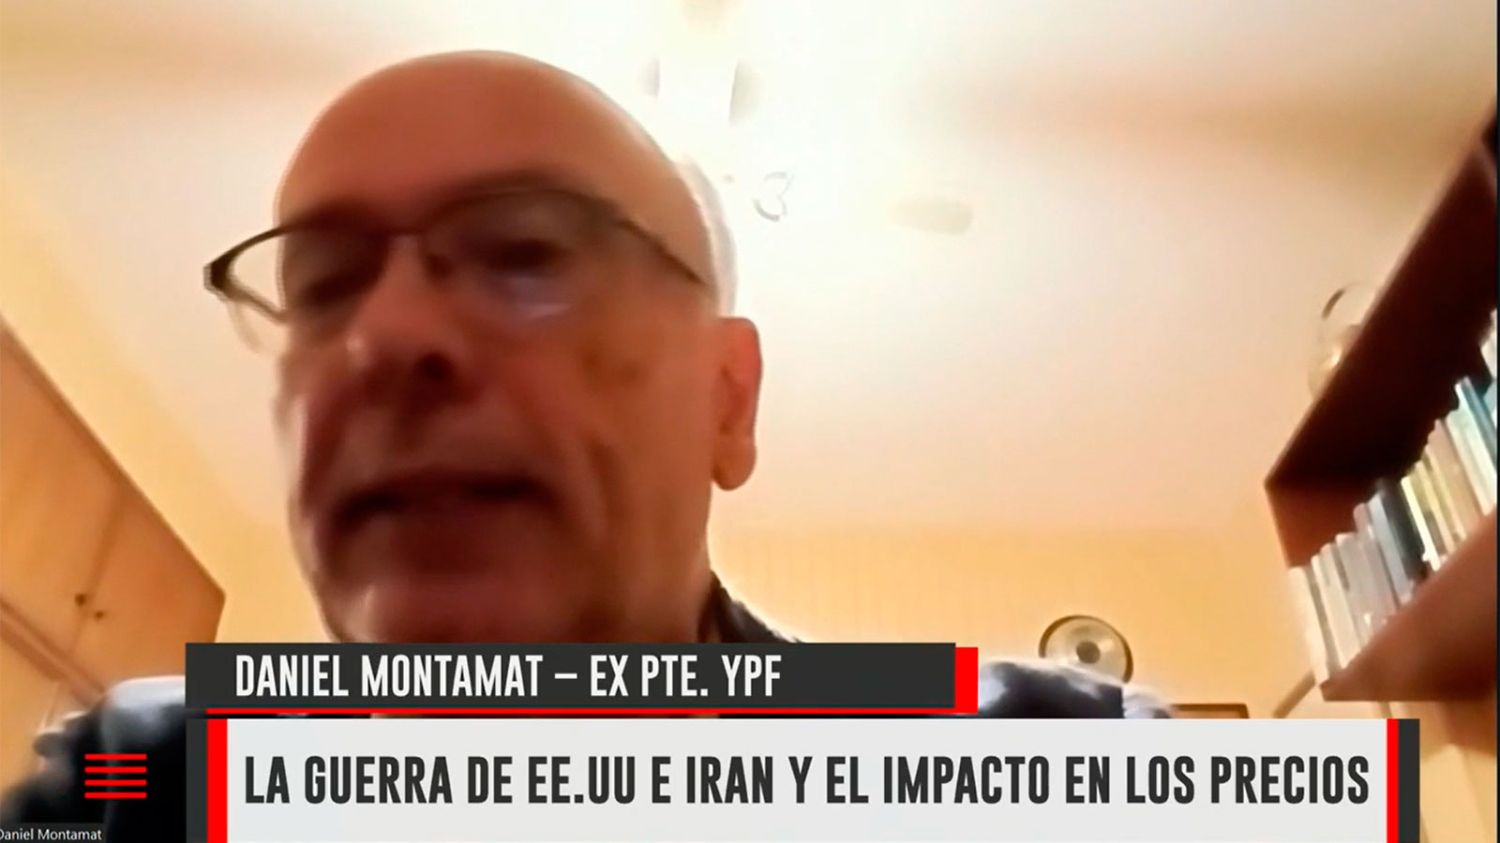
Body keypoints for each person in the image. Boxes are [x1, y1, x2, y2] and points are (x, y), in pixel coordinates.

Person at [1, 52, 1165, 838]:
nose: (382, 337)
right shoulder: (129, 788)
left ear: (726, 401)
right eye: (324, 283)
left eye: (527, 254)